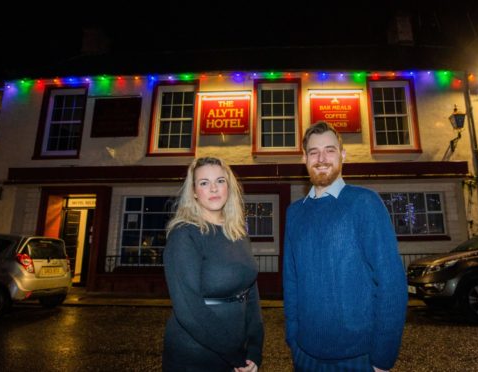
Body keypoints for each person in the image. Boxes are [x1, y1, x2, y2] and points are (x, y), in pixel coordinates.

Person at [283, 121, 408, 371]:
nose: (321, 158)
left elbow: (391, 283)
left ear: (342, 155)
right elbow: (291, 281)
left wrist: (382, 357)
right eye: (313, 151)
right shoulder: (295, 213)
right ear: (304, 158)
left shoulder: (364, 203)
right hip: (305, 356)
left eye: (329, 150)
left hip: (357, 358)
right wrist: (293, 339)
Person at [162, 157, 264, 372]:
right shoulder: (184, 234)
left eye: (220, 180)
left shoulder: (237, 231)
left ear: (229, 187)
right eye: (204, 182)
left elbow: (251, 291)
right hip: (195, 355)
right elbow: (188, 309)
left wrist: (254, 348)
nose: (214, 188)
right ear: (194, 192)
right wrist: (235, 355)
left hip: (237, 351)